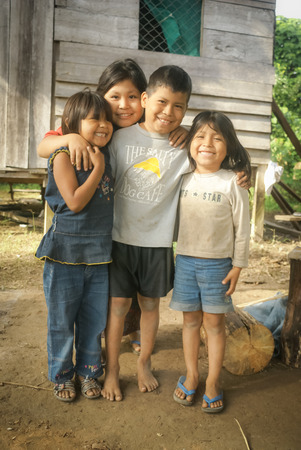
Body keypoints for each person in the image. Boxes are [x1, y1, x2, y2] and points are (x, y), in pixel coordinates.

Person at [37, 59, 189, 355]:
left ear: (144, 99)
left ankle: (132, 333)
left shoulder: (151, 134)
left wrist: (187, 128)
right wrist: (67, 137)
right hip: (96, 230)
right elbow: (45, 145)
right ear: (101, 97)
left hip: (134, 229)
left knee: (133, 292)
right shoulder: (90, 130)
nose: (124, 105)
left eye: (132, 96)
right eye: (115, 96)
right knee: (109, 294)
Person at [35, 90, 114, 402]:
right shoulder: (63, 155)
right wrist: (97, 169)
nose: (103, 124)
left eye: (107, 119)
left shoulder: (107, 153)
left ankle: (89, 371)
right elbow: (75, 202)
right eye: (94, 118)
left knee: (94, 321)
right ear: (71, 124)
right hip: (64, 254)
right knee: (61, 321)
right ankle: (62, 376)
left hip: (98, 255)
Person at [170, 111, 251, 413]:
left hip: (219, 265)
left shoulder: (234, 183)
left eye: (217, 138)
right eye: (201, 136)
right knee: (190, 321)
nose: (208, 143)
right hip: (186, 262)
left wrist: (238, 265)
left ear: (228, 147)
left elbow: (243, 228)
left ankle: (213, 381)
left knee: (214, 324)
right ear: (191, 142)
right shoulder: (182, 179)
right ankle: (192, 375)